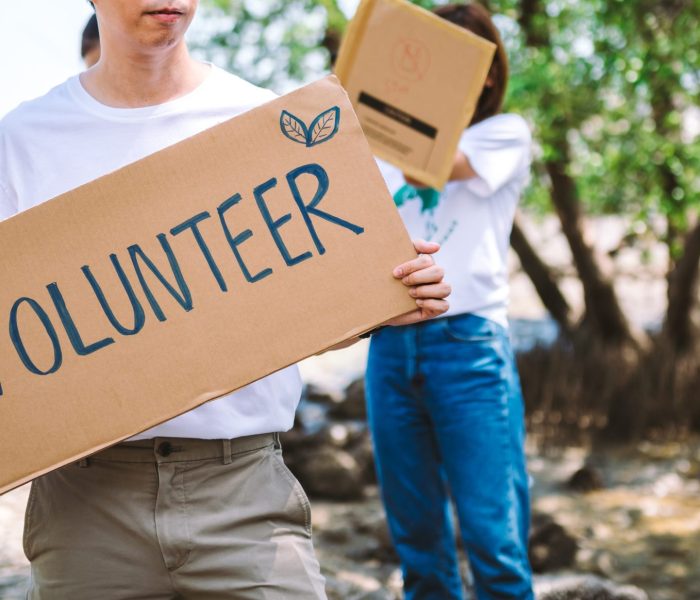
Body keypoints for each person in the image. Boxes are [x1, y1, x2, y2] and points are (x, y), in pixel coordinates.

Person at [0, 1, 451, 598]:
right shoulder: (21, 142)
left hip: (244, 489)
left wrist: (375, 302)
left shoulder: (264, 120)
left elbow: (280, 314)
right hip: (85, 508)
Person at [366, 3, 534, 599]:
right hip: (387, 345)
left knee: (496, 546)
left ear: (488, 74)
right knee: (419, 550)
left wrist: (369, 100)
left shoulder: (502, 134)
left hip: (468, 348)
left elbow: (438, 164)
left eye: (455, 62)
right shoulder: (379, 152)